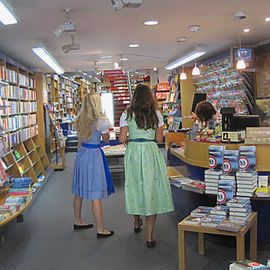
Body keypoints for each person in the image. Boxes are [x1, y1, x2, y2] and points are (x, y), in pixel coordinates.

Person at [118, 84, 175, 248]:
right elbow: (159, 140)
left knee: (135, 185)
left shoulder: (127, 113)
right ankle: (149, 237)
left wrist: (131, 138)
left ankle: (137, 221)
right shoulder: (156, 114)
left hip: (134, 152)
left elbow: (122, 139)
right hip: (150, 151)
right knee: (151, 188)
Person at [71, 93, 115, 238]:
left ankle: (78, 220)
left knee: (79, 190)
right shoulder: (101, 121)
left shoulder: (79, 119)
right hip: (94, 155)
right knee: (96, 193)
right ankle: (100, 228)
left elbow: (79, 140)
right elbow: (107, 139)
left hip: (82, 154)